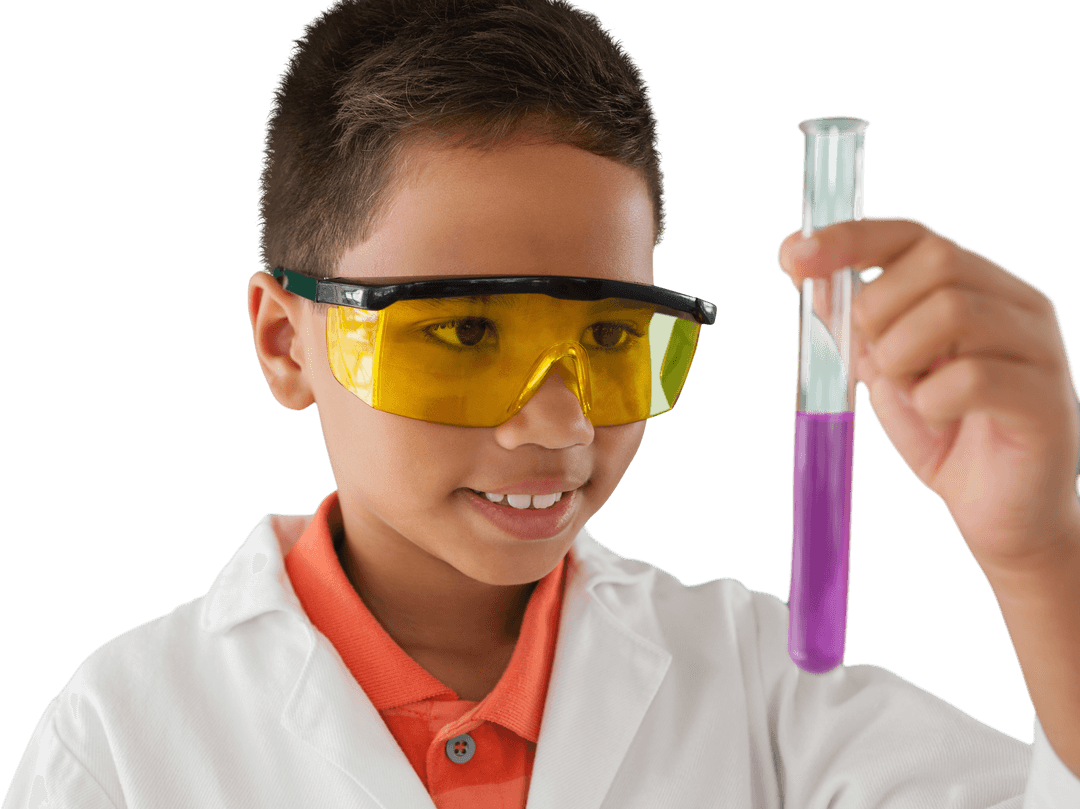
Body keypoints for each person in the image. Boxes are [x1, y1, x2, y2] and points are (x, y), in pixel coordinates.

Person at [6, 0, 1080, 806]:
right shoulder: (125, 740)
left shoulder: (759, 688)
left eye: (612, 337)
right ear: (287, 341)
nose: (557, 425)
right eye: (467, 333)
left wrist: (1042, 553)